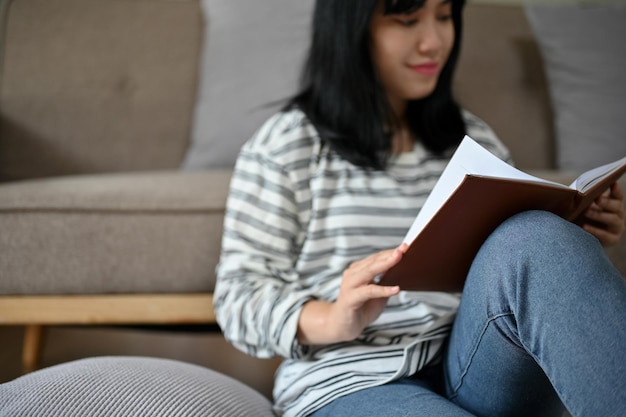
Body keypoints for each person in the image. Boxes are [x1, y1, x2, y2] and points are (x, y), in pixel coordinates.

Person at [214, 0, 626, 416]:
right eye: (407, 20)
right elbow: (237, 297)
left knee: (539, 237)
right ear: (350, 30)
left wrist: (574, 233)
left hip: (472, 363)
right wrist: (335, 318)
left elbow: (510, 268)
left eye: (445, 17)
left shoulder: (474, 140)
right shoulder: (286, 146)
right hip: (353, 378)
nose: (433, 42)